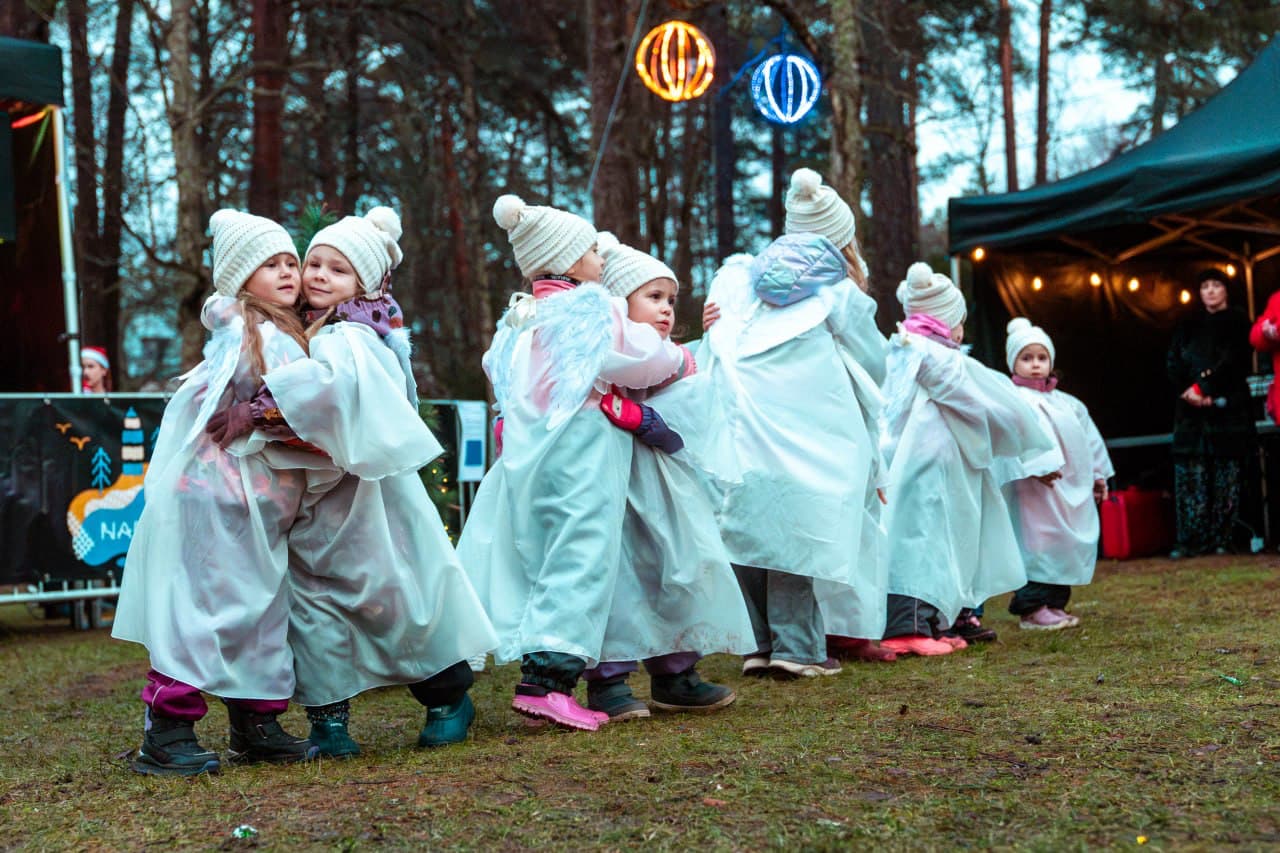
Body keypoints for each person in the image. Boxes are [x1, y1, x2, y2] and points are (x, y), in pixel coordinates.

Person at [209, 207, 497, 754]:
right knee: (314, 602)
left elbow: (328, 388)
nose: (318, 275)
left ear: (362, 283)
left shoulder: (359, 333)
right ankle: (329, 719)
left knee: (396, 596)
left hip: (372, 497)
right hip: (317, 498)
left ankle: (447, 697)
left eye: (337, 270)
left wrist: (257, 410)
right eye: (314, 262)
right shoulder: (306, 328)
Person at [456, 195, 685, 732]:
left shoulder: (518, 317)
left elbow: (498, 372)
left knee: (545, 553)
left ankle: (541, 676)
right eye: (591, 250)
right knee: (582, 555)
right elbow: (635, 357)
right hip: (583, 446)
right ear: (568, 260)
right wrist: (680, 357)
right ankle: (548, 684)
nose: (601, 258)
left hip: (531, 448)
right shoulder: (590, 307)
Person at [656, 168, 888, 678]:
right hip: (810, 427)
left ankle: (757, 644)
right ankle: (798, 648)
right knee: (796, 530)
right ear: (842, 241)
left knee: (746, 524)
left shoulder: (736, 278)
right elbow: (874, 361)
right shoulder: (839, 291)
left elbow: (718, 341)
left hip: (741, 422)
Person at [112, 210, 317, 776]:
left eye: (290, 262)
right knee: (203, 610)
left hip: (260, 503)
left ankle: (256, 720)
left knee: (261, 606)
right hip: (219, 497)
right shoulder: (248, 332)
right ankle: (167, 729)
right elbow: (297, 400)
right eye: (269, 264)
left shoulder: (277, 330)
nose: (288, 272)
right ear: (240, 277)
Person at [583, 233, 749, 720]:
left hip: (660, 488)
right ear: (618, 302)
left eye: (671, 300)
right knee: (615, 576)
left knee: (675, 569)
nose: (666, 309)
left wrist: (649, 420)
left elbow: (691, 414)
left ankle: (676, 672)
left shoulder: (672, 360)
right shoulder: (597, 358)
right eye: (653, 297)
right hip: (607, 483)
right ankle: (609, 680)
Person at [879, 263, 1061, 657]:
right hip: (930, 467)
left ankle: (939, 619)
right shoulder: (934, 356)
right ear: (947, 320)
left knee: (942, 542)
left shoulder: (908, 348)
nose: (962, 330)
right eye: (959, 321)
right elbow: (976, 401)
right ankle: (909, 625)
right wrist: (1018, 428)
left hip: (929, 464)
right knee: (922, 541)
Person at [1000, 318, 1114, 630]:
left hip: (1067, 490)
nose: (1036, 364)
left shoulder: (1068, 403)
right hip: (1032, 493)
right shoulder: (1013, 400)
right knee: (1037, 544)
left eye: (1041, 357)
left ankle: (1054, 602)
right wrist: (1033, 466)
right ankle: (1032, 606)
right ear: (1013, 362)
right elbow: (1009, 439)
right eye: (1026, 358)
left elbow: (1090, 439)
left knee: (1063, 543)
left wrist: (1098, 474)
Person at [1167, 268, 1255, 557]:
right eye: (1205, 286)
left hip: (1226, 408)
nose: (1211, 291)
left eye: (1216, 285)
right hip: (1191, 414)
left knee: (1226, 476)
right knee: (1191, 477)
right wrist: (1188, 390)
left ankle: (1223, 538)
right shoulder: (1188, 324)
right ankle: (1191, 539)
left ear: (1226, 289)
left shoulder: (1238, 321)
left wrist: (1205, 387)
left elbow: (1236, 360)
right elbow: (1173, 361)